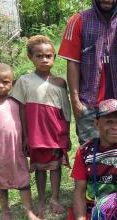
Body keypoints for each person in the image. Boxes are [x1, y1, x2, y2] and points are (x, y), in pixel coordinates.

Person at [58, 0, 117, 145]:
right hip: (88, 103)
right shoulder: (79, 20)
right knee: (90, 153)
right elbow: (72, 63)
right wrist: (75, 101)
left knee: (115, 153)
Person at [11, 36, 71, 217]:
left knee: (55, 166)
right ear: (30, 57)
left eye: (49, 56)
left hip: (56, 131)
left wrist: (66, 134)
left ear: (54, 57)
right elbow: (21, 108)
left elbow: (66, 111)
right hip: (36, 133)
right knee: (39, 167)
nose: (44, 59)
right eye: (39, 56)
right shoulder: (24, 80)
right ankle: (42, 198)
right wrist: (25, 135)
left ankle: (54, 197)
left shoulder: (60, 83)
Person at [0, 63, 39, 220]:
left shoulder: (17, 100)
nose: (1, 85)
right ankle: (5, 210)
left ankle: (29, 211)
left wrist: (26, 139)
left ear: (12, 83)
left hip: (16, 148)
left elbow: (24, 121)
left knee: (23, 180)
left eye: (5, 82)